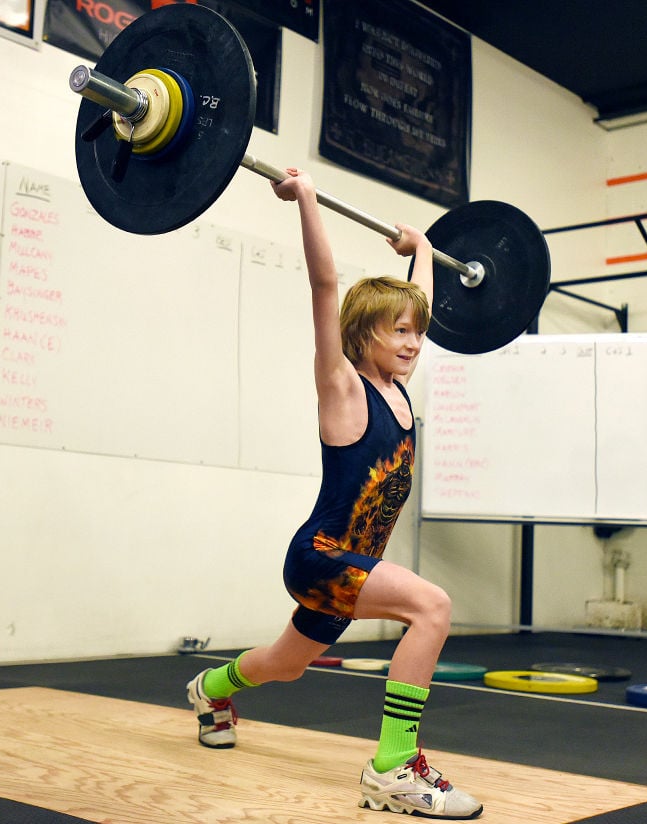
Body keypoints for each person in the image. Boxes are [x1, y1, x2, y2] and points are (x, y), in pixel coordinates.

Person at [185, 168, 483, 820]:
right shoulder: (343, 388)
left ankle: (208, 690)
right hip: (322, 557)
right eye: (397, 331)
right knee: (431, 607)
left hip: (347, 571)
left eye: (416, 332)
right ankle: (393, 768)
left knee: (283, 666)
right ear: (363, 334)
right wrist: (308, 200)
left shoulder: (400, 390)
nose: (411, 343)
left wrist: (423, 251)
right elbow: (324, 287)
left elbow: (417, 302)